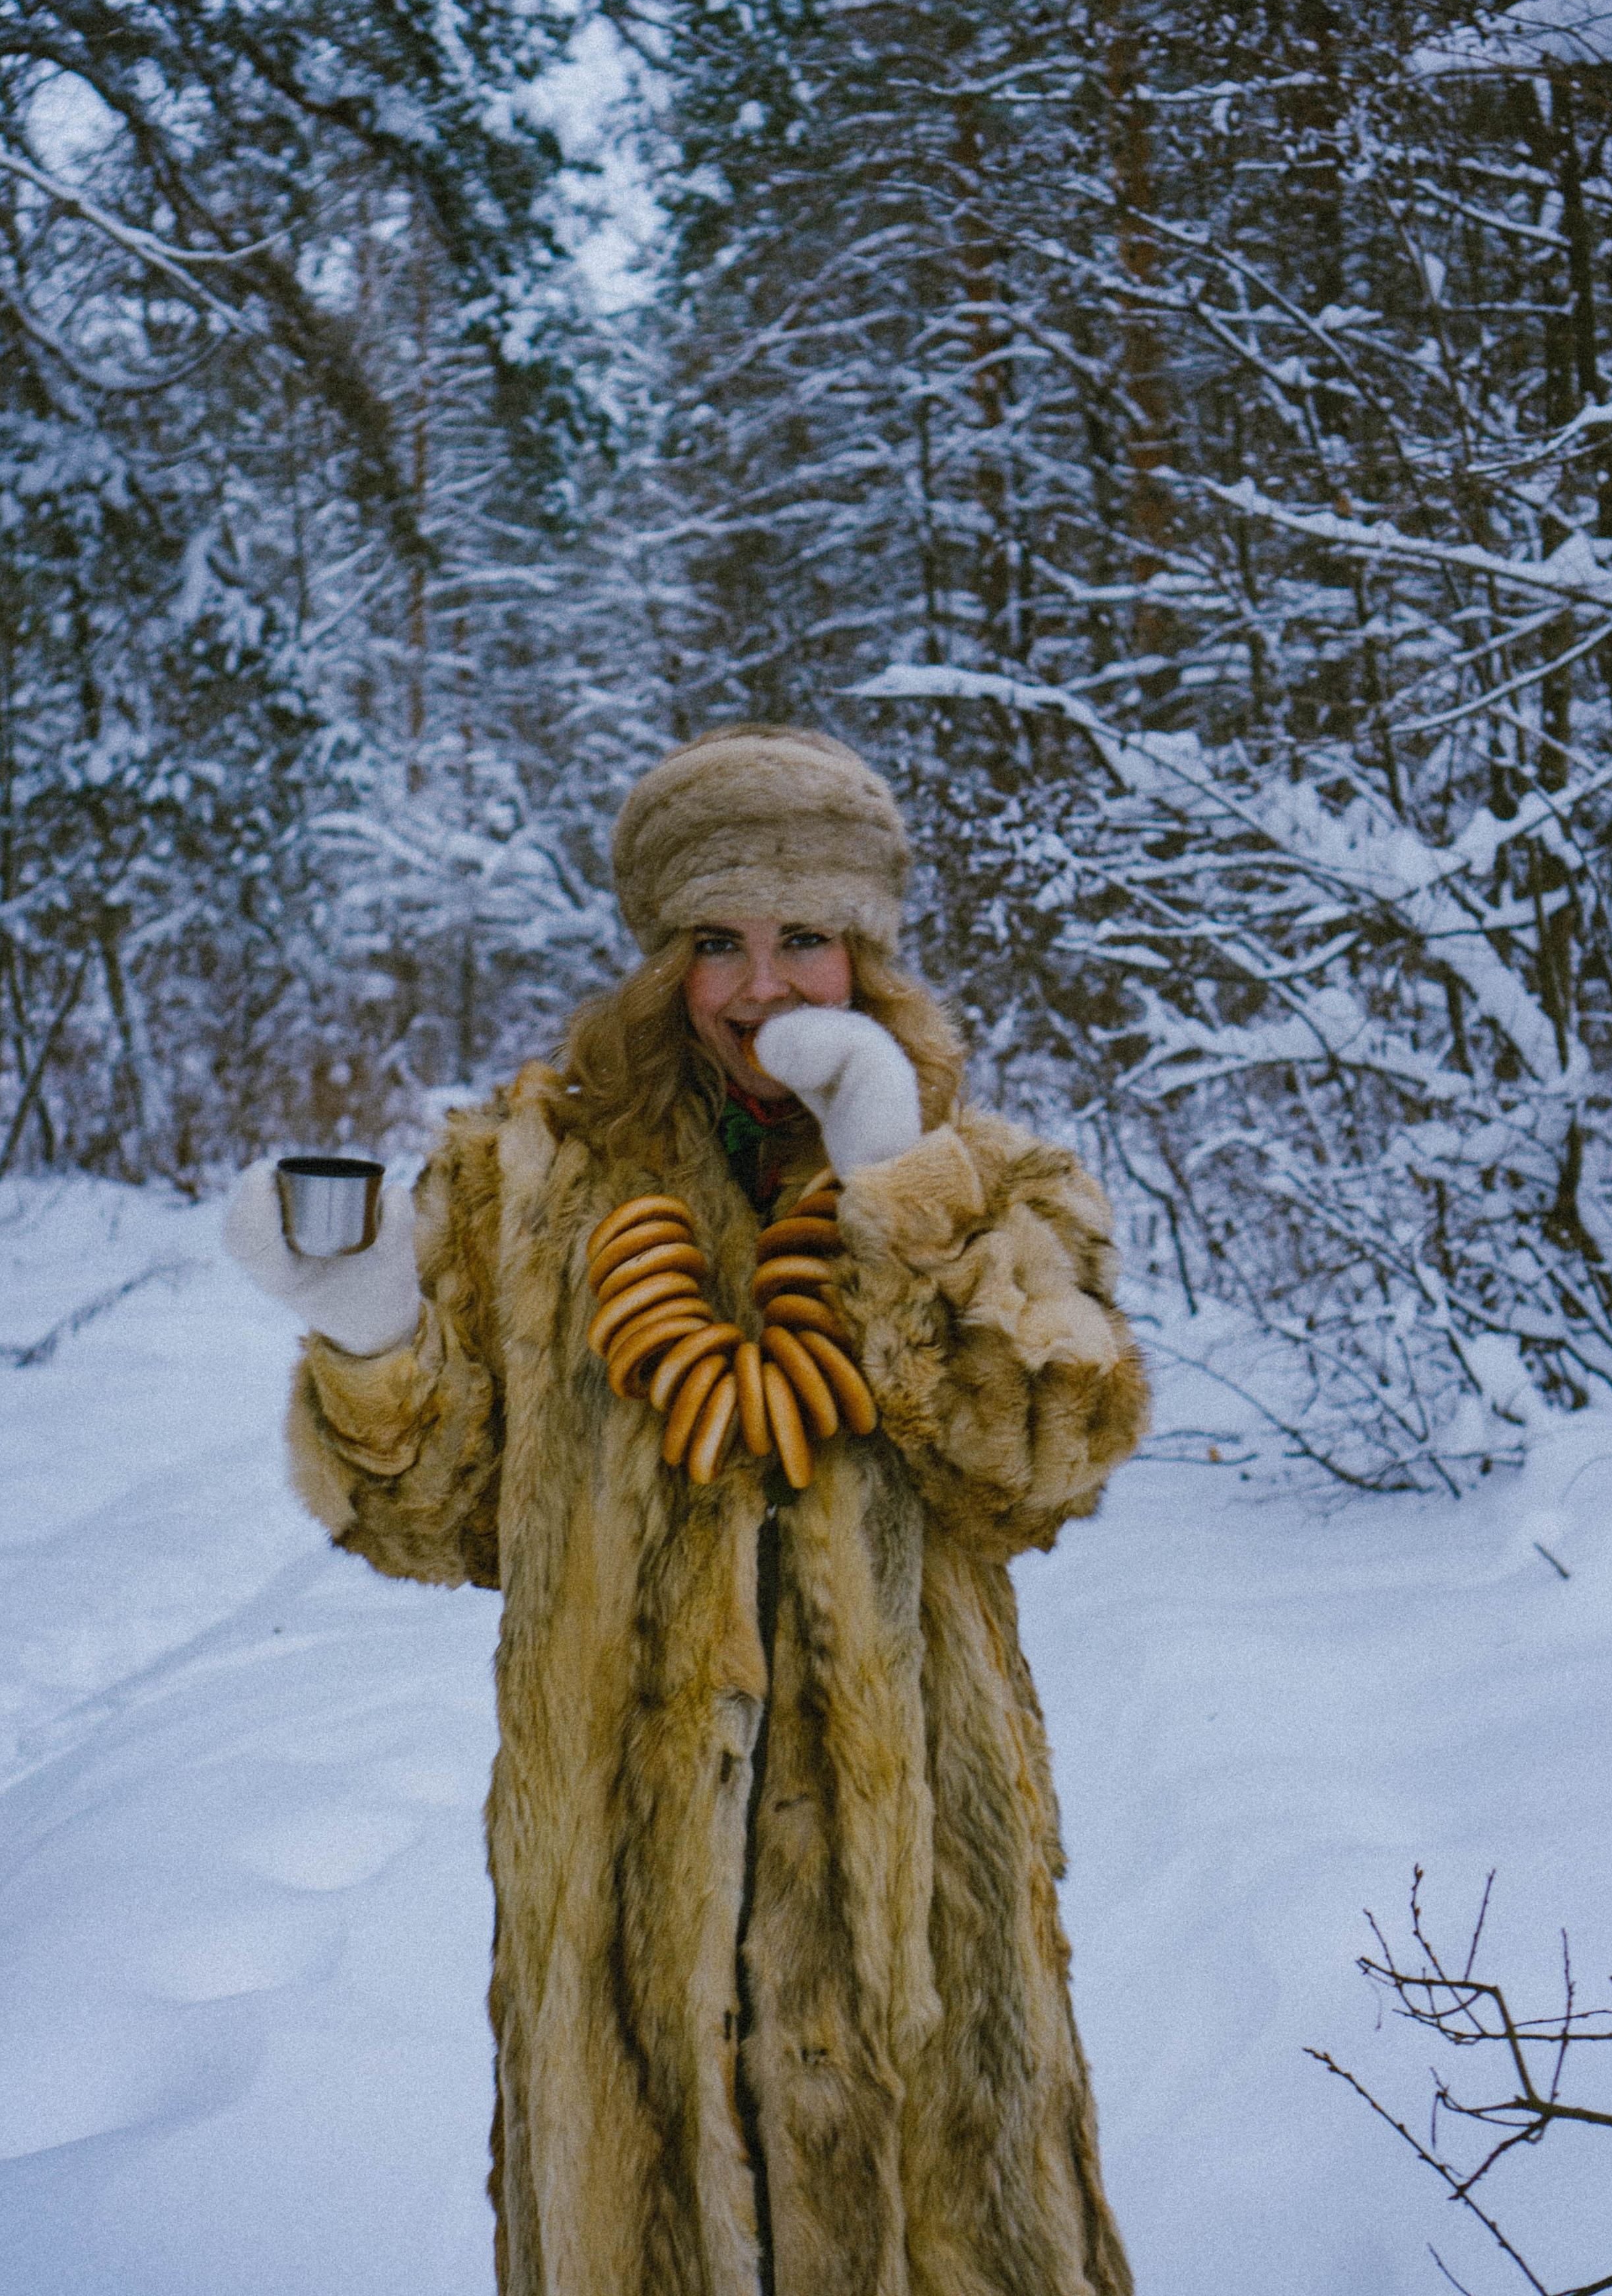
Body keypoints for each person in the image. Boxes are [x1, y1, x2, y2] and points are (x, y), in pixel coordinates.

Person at [225, 724, 1149, 2296]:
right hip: (619, 1937)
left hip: (916, 1921)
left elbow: (1046, 1449)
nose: (762, 989)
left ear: (866, 953)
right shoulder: (530, 1183)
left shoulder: (993, 1180)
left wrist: (895, 1189)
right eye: (717, 942)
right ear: (662, 962)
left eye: (806, 940)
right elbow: (434, 1520)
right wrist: (373, 1326)